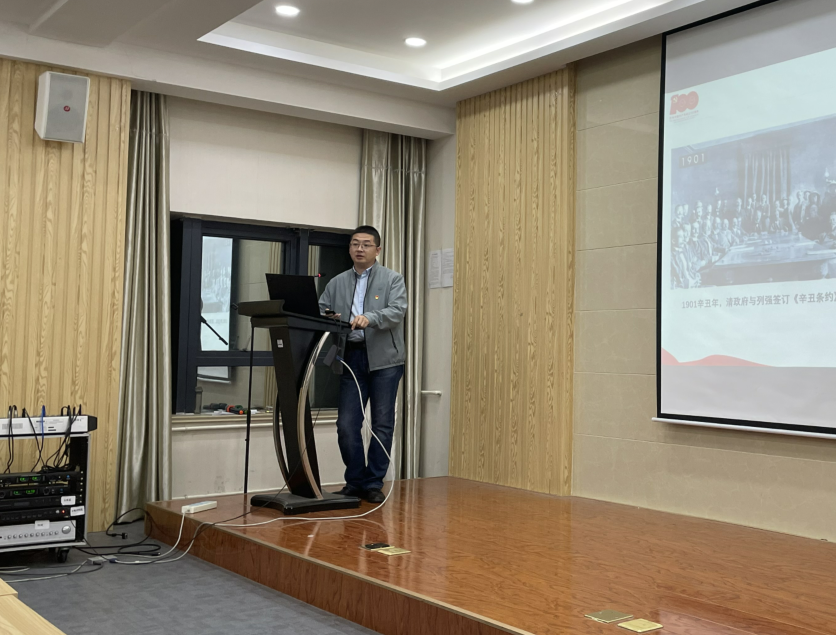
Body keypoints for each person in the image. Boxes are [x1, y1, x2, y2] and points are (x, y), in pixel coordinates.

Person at [318, 226, 407, 504]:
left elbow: (397, 311)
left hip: (385, 361)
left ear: (377, 250)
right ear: (349, 248)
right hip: (351, 357)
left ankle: (373, 483)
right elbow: (320, 309)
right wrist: (330, 317)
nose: (360, 248)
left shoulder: (392, 279)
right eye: (355, 244)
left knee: (382, 424)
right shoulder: (337, 282)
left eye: (366, 244)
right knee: (346, 425)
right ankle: (355, 481)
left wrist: (371, 317)